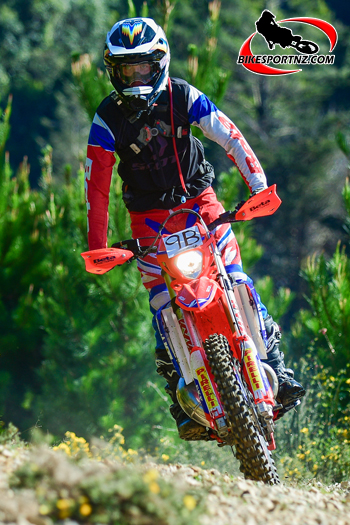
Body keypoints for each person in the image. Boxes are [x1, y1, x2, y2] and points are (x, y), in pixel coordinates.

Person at [84, 17, 305, 440]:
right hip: (147, 221)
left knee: (237, 278)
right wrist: (99, 246)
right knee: (161, 304)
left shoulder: (183, 95)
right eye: (126, 70)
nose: (135, 78)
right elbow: (96, 185)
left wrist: (258, 187)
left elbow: (230, 137)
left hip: (200, 205)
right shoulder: (107, 117)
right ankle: (181, 399)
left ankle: (277, 367)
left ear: (160, 64)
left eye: (143, 68)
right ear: (114, 71)